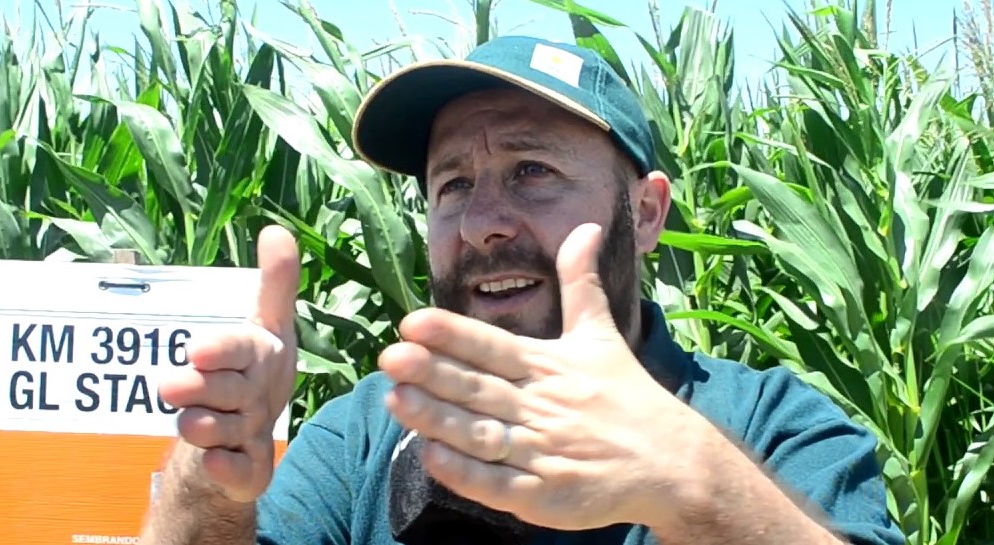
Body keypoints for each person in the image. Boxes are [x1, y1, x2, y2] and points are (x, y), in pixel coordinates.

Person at [140, 35, 906, 545]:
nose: (481, 224)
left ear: (644, 214)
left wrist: (691, 481)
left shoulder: (773, 427)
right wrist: (209, 476)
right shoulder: (360, 438)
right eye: (452, 184)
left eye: (531, 171)